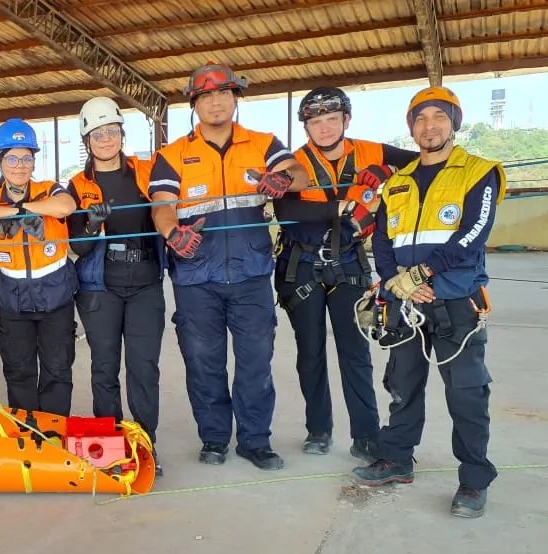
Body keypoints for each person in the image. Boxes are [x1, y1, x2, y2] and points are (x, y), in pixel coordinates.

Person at [353, 87, 504, 519]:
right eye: (420, 118)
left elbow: (473, 232)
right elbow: (383, 238)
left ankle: (474, 479)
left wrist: (421, 274)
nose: (429, 126)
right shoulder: (398, 182)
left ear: (453, 123)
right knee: (402, 385)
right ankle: (397, 458)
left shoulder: (479, 172)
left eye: (439, 116)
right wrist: (395, 280)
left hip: (455, 301)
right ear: (411, 128)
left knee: (467, 393)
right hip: (405, 301)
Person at [149, 63, 308, 470]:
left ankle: (255, 441)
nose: (215, 102)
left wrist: (284, 180)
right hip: (195, 277)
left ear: (235, 98)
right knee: (203, 362)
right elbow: (162, 204)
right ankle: (215, 438)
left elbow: (299, 174)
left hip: (251, 274)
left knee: (256, 361)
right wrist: (171, 233)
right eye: (206, 95)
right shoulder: (171, 155)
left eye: (223, 93)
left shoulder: (262, 143)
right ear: (194, 103)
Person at [273, 87, 418, 460]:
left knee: (355, 352)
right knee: (310, 352)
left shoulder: (371, 152)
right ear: (306, 127)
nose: (324, 128)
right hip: (303, 265)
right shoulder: (294, 163)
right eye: (316, 122)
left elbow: (422, 162)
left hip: (349, 263)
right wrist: (341, 207)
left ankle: (366, 435)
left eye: (332, 119)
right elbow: (287, 212)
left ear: (346, 120)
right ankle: (318, 429)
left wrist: (387, 170)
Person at [67, 97, 165, 475]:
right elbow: (78, 246)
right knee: (105, 369)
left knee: (143, 368)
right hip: (100, 286)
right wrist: (91, 225)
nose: (106, 139)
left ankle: (145, 446)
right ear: (86, 141)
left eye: (112, 131)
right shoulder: (77, 185)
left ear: (122, 134)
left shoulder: (146, 171)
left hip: (145, 282)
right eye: (97, 134)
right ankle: (111, 450)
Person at [0, 118, 78, 416]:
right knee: (18, 371)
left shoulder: (48, 189)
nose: (20, 166)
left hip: (56, 300)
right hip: (13, 304)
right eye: (11, 158)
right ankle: (26, 433)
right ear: (0, 162)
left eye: (26, 158)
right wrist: (11, 212)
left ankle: (53, 433)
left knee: (57, 370)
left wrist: (24, 209)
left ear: (34, 161)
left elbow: (65, 206)